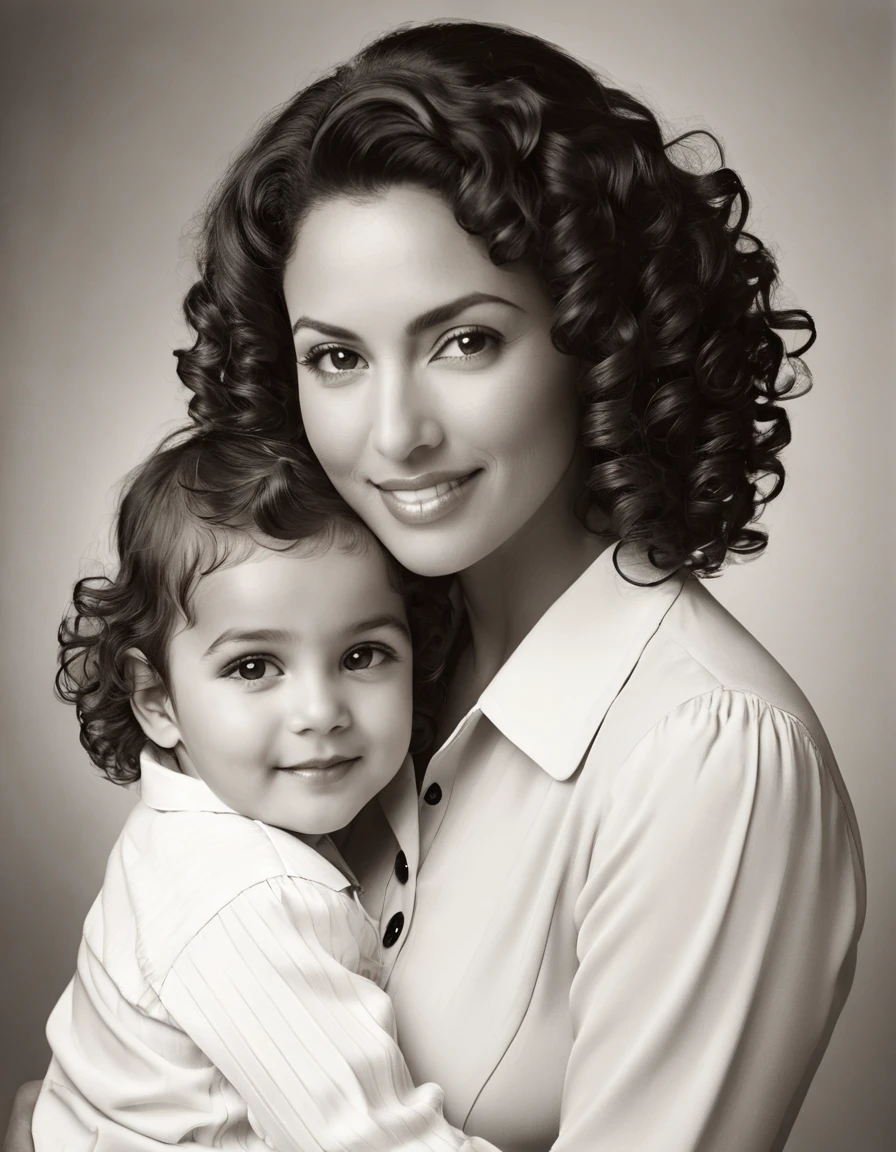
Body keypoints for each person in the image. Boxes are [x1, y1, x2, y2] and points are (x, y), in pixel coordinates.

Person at [7, 19, 865, 1152]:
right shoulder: (353, 659)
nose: (395, 434)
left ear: (595, 336)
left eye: (462, 342)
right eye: (337, 357)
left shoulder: (705, 755)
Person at [30, 428, 496, 1151]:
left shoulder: (194, 829)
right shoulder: (247, 899)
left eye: (363, 655)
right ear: (155, 699)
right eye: (254, 667)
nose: (320, 712)